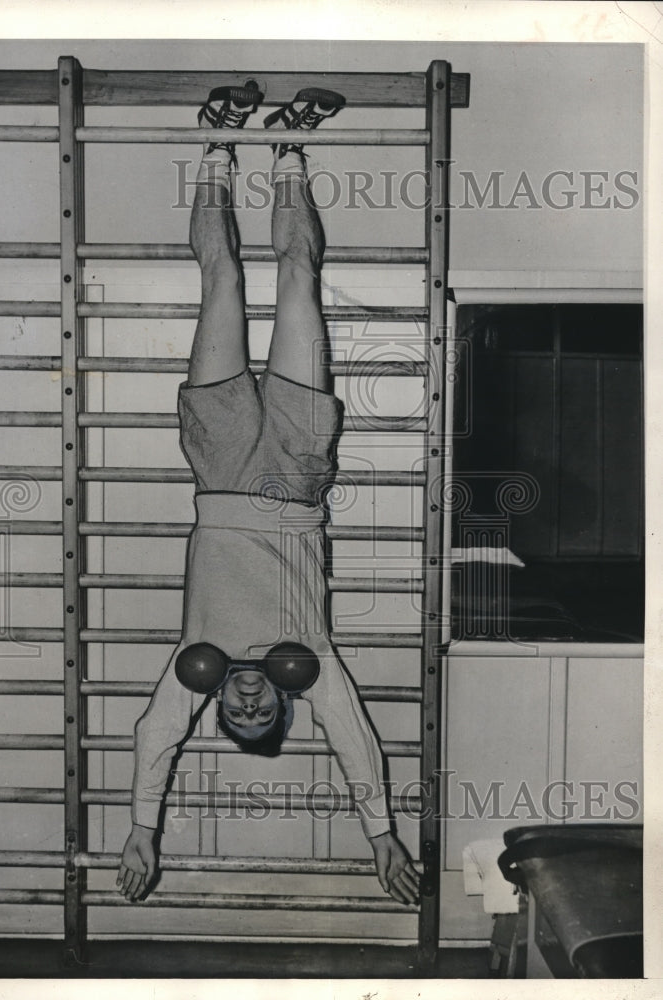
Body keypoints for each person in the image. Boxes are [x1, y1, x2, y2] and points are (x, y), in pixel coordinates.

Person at [117, 82, 420, 907]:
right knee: (298, 280)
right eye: (264, 713)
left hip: (217, 466)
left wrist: (143, 829)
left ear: (218, 705)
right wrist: (381, 835)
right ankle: (289, 152)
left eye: (237, 713)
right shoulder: (309, 668)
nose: (250, 698)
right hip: (297, 466)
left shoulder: (195, 671)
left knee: (220, 285)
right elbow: (356, 743)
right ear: (284, 705)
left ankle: (216, 149)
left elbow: (153, 743)